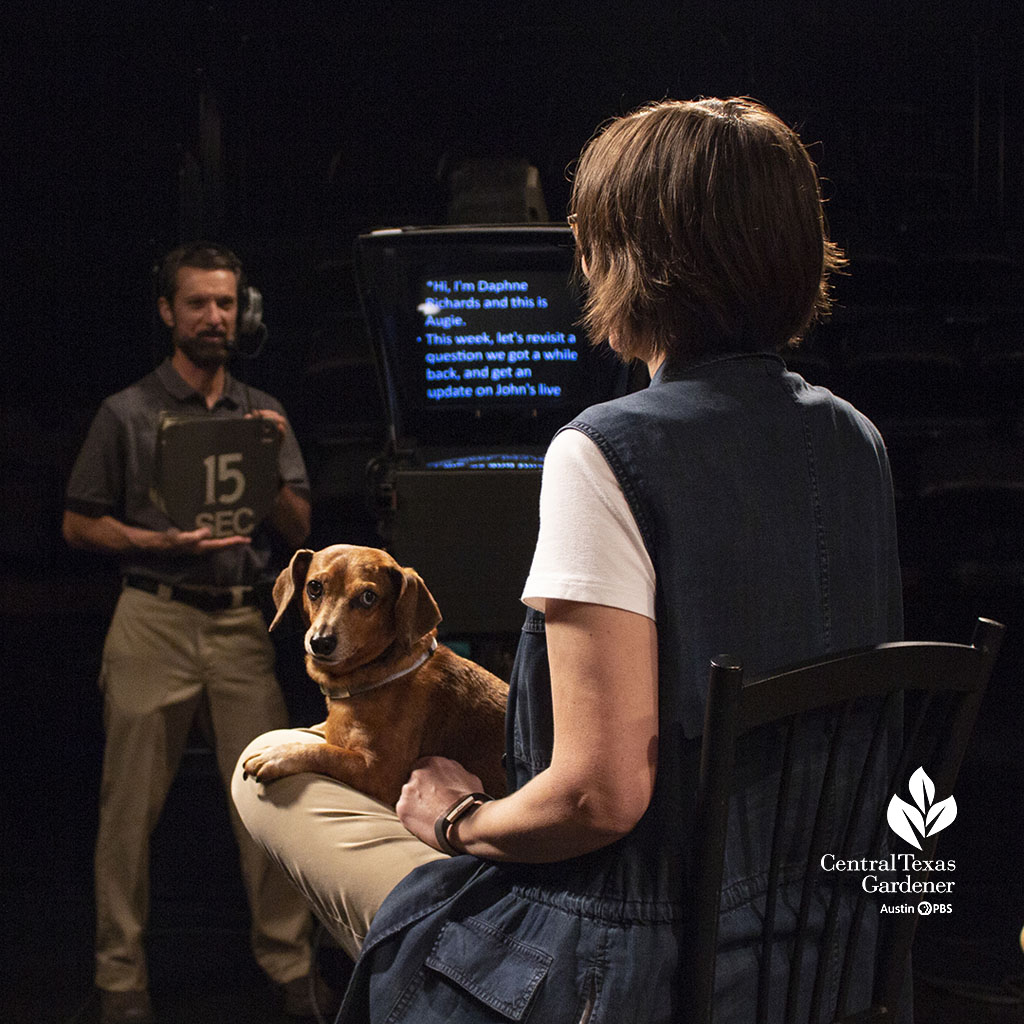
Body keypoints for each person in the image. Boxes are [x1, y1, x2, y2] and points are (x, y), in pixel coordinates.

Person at [232, 99, 905, 1022]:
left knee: (260, 778)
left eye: (592, 241)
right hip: (821, 952)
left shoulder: (603, 451)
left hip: (620, 961)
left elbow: (596, 797)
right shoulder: (857, 439)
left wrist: (454, 819)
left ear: (635, 260)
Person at [63, 242, 328, 1024]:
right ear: (167, 312)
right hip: (153, 615)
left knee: (271, 800)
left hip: (242, 620)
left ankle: (290, 967)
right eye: (198, 304)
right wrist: (153, 543)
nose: (214, 318)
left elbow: (299, 528)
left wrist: (273, 458)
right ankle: (120, 980)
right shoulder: (128, 412)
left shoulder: (259, 409)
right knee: (127, 811)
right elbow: (79, 524)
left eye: (225, 303)